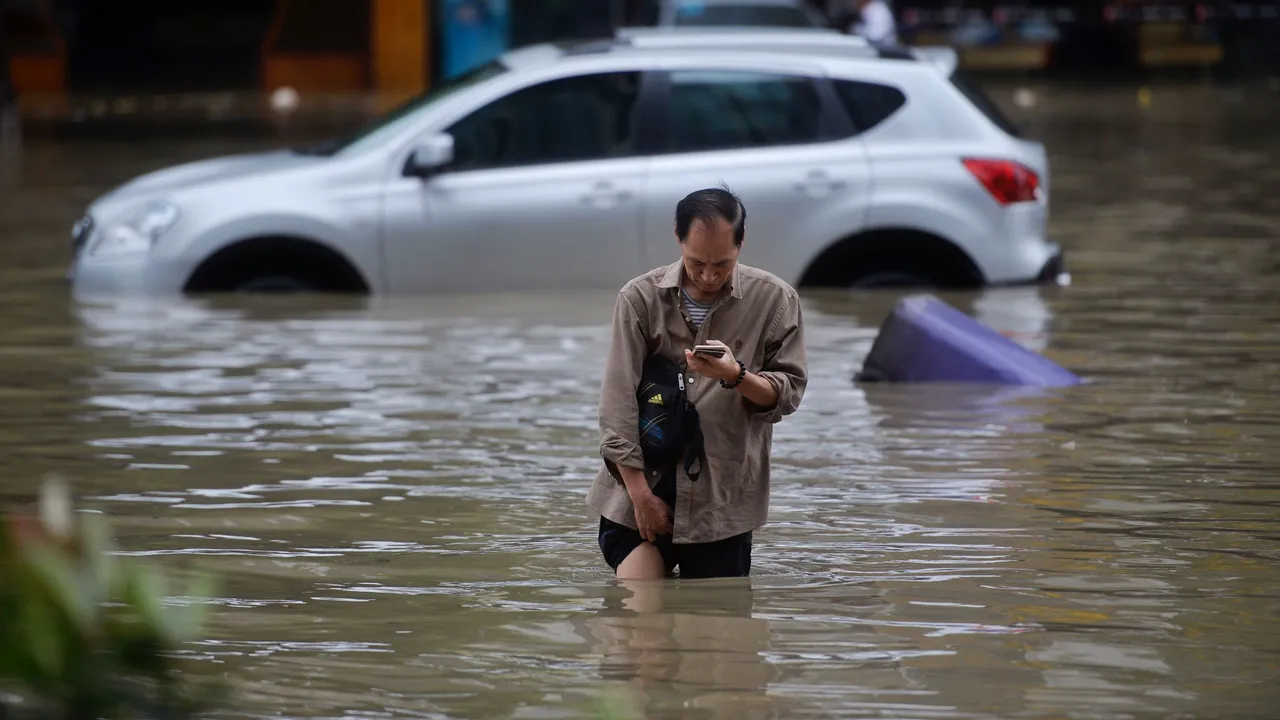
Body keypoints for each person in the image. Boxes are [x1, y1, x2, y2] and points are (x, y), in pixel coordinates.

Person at [586, 187, 808, 580]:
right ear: (677, 237)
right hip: (642, 487)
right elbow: (617, 404)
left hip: (723, 502)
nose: (708, 275)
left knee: (714, 632)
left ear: (741, 243)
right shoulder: (639, 298)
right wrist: (640, 497)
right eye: (696, 262)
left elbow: (787, 394)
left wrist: (735, 375)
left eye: (722, 264)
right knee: (642, 624)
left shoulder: (775, 299)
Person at [831, 0, 898, 47]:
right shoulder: (866, 9)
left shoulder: (877, 11)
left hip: (883, 50)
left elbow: (876, 36)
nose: (853, 2)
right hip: (872, 47)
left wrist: (856, 30)